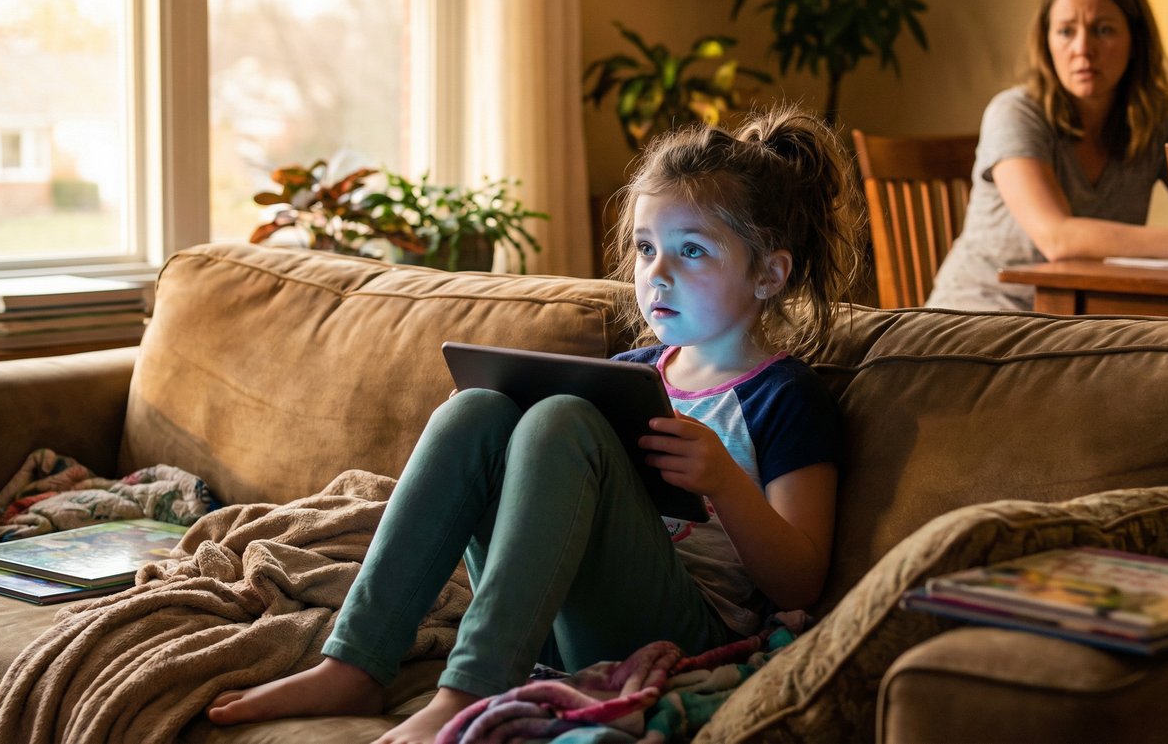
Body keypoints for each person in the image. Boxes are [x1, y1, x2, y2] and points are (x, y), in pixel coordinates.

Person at [205, 106, 864, 744]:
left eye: (691, 251)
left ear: (769, 273)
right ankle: (353, 663)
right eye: (645, 248)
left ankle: (466, 691)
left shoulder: (784, 395)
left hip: (685, 632)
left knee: (562, 419)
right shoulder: (632, 372)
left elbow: (800, 581)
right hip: (549, 623)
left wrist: (724, 478)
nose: (656, 273)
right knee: (477, 407)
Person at [925, 0, 1168, 311]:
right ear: (1046, 41)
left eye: (1104, 30)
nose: (1082, 48)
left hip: (1086, 320)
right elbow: (1057, 238)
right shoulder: (1015, 112)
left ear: (1135, 40)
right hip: (977, 317)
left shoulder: (1158, 117)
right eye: (1066, 31)